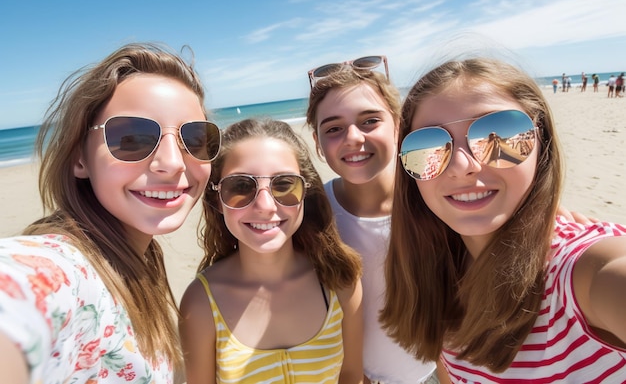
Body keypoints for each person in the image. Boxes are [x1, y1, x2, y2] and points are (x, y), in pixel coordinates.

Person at [380, 57, 626, 382]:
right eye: (428, 146)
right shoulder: (437, 274)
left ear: (542, 141)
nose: (461, 165)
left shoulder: (582, 274)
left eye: (498, 133)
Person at [0, 42, 222, 383]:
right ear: (79, 159)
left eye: (195, 138)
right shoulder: (67, 268)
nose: (173, 163)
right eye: (132, 138)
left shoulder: (139, 258)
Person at [179, 118, 364, 384]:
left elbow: (351, 376)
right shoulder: (200, 304)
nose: (265, 206)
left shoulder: (340, 280)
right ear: (217, 199)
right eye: (241, 186)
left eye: (284, 184)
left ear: (305, 192)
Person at [306, 56, 441, 384]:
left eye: (369, 121)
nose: (352, 138)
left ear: (397, 126)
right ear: (318, 144)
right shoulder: (309, 214)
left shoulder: (435, 196)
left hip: (438, 371)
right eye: (334, 128)